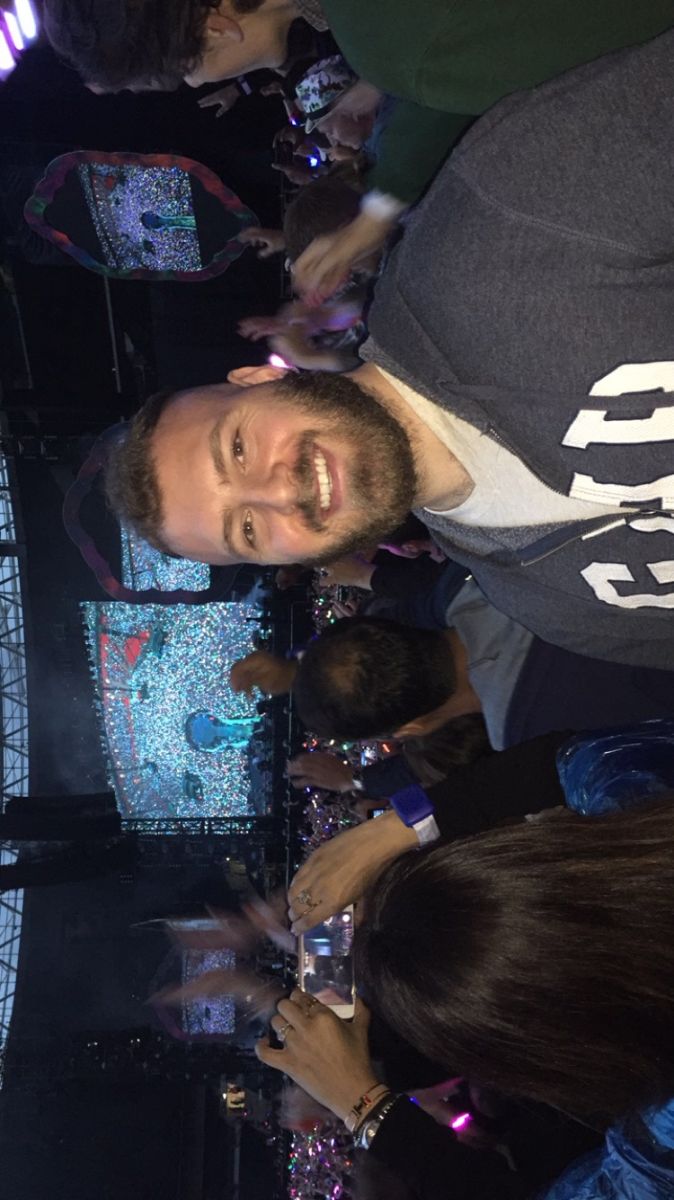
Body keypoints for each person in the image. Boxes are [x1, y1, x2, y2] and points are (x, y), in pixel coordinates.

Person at [102, 32, 674, 669]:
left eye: (237, 448)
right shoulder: (544, 604)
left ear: (259, 380)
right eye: (248, 529)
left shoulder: (505, 222)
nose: (278, 491)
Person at [256, 733, 674, 1199]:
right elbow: (562, 763)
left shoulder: (662, 1141)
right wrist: (399, 828)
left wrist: (364, 1105)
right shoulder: (645, 806)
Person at [42, 0, 674, 302]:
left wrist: (393, 83)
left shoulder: (397, 48)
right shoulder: (386, 47)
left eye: (187, 71)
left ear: (216, 25)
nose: (199, 84)